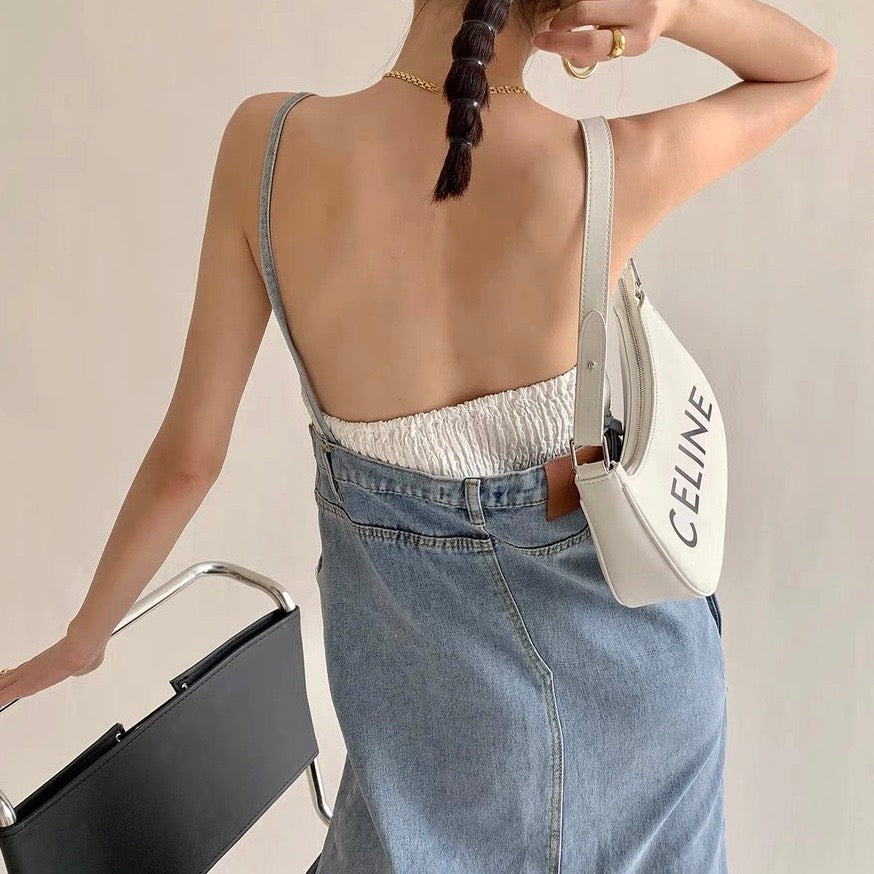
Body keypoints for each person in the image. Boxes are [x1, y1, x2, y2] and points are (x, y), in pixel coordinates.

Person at [1, 0, 835, 870]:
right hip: (641, 705)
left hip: (431, 746)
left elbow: (189, 460)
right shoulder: (603, 166)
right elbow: (808, 67)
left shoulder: (268, 148)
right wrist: (675, 9)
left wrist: (87, 637)